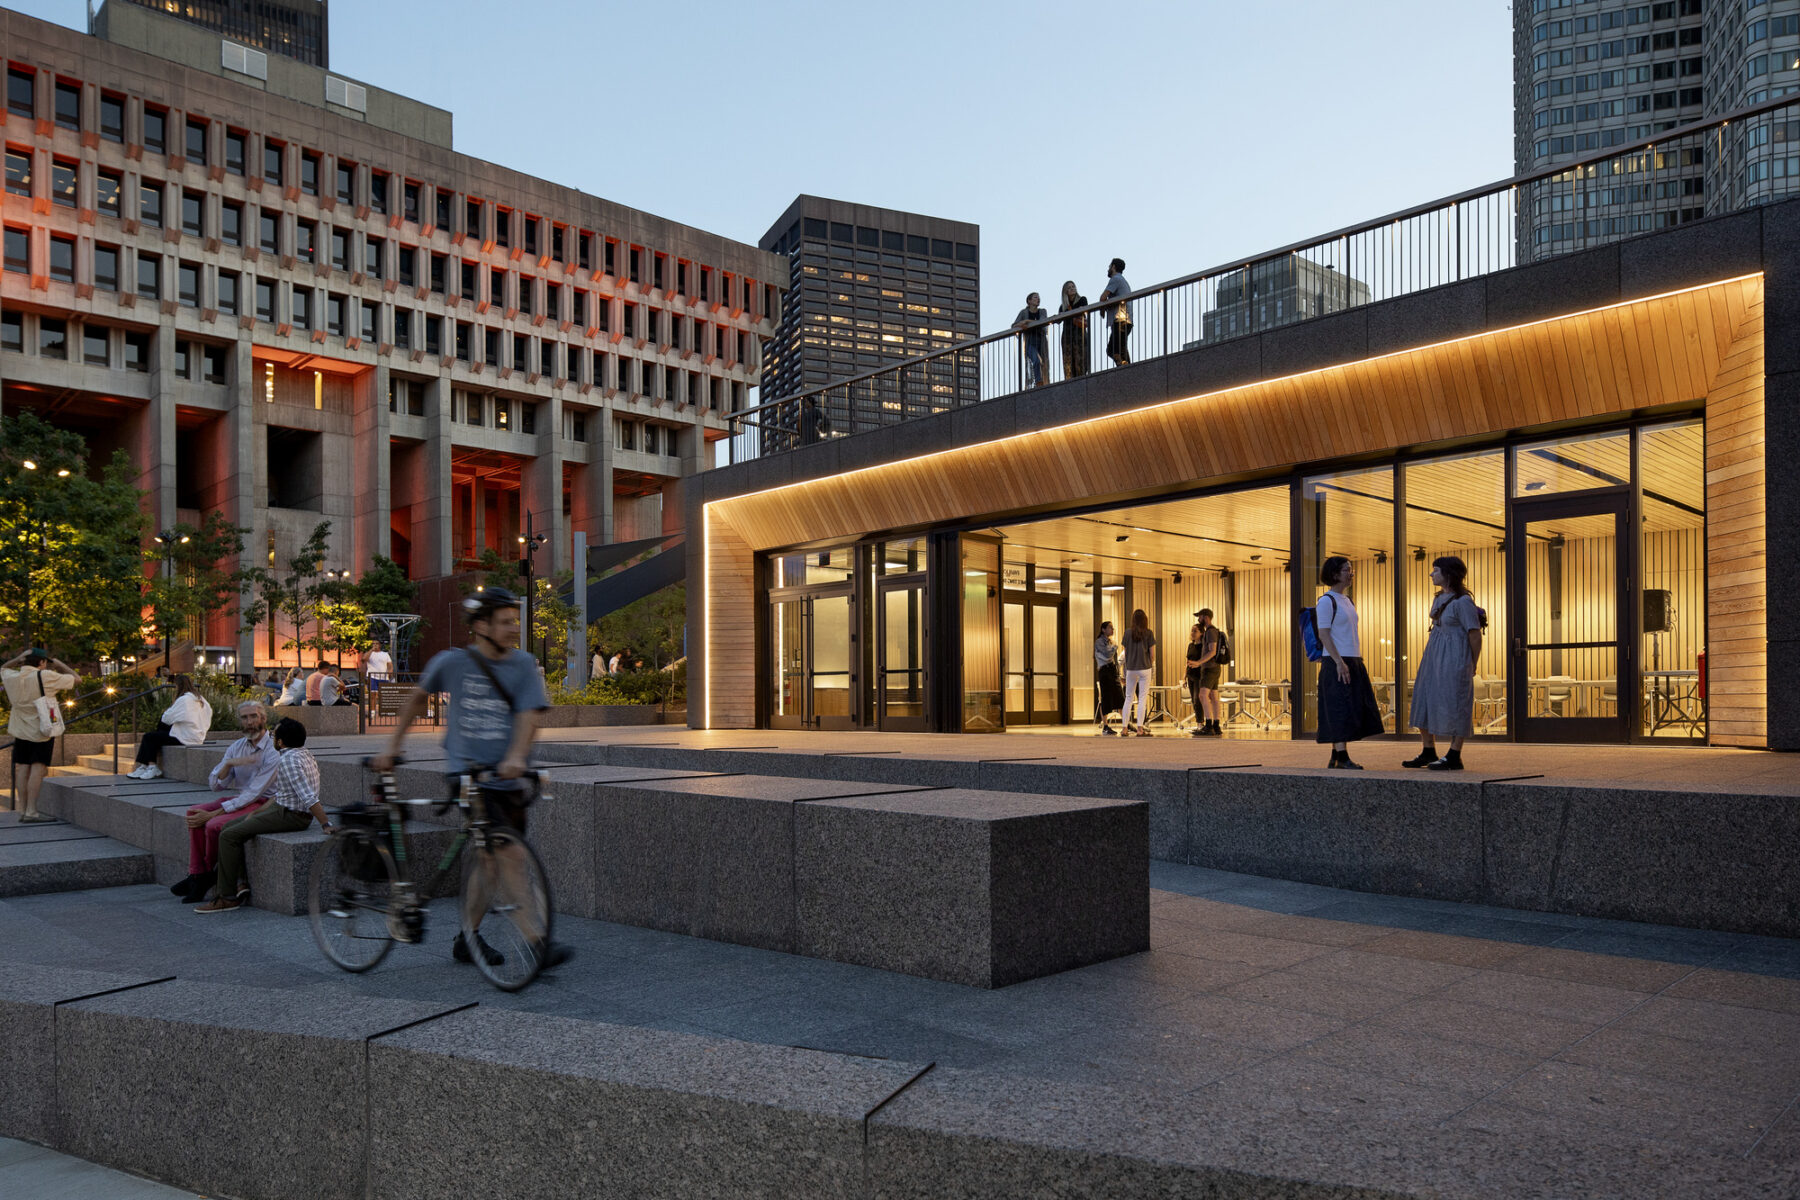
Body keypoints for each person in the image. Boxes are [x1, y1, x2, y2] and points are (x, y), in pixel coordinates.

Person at [373, 587, 570, 969]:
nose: (514, 628)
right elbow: (416, 698)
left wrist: (515, 757)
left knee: (488, 860)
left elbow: (531, 715)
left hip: (509, 777)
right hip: (469, 774)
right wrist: (391, 747)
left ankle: (467, 937)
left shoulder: (524, 665)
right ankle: (536, 941)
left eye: (515, 620)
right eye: (505, 621)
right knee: (507, 853)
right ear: (481, 625)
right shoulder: (453, 663)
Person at [196, 717, 329, 913]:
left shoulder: (288, 761)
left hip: (291, 816)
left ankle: (228, 897)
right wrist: (258, 812)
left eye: (275, 735)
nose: (272, 737)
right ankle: (240, 882)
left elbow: (308, 796)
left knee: (228, 835)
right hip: (281, 808)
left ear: (281, 741)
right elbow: (284, 793)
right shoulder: (303, 754)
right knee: (227, 827)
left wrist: (326, 824)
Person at [171, 700, 280, 902]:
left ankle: (205, 876)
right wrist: (228, 765)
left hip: (264, 802)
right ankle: (198, 874)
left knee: (213, 825)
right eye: (244, 717)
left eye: (253, 716)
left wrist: (214, 813)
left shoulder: (273, 750)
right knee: (194, 813)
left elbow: (255, 793)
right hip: (242, 798)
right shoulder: (236, 747)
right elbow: (215, 784)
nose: (249, 722)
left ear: (263, 718)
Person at [1404, 556, 1485, 772]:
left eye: (1436, 570)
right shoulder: (1439, 598)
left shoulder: (1463, 602)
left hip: (1455, 657)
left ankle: (1454, 754)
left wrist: (1471, 663)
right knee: (1423, 697)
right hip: (1433, 655)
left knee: (1456, 702)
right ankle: (1428, 749)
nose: (1432, 574)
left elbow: (1475, 635)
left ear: (1448, 573)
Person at [1314, 556, 1385, 769]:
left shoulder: (1347, 600)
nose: (1351, 574)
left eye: (1351, 570)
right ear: (1335, 574)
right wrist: (1338, 661)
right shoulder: (1326, 601)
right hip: (1336, 660)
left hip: (1352, 658)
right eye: (1347, 570)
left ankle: (1336, 756)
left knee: (1351, 706)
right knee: (1339, 708)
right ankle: (1342, 756)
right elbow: (1324, 634)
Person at [3, 648, 78, 822]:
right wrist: (60, 664)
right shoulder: (45, 676)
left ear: (24, 661)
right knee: (38, 768)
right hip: (41, 730)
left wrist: (17, 658)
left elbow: (3, 667)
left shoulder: (12, 676)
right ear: (42, 662)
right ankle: (31, 811)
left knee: (22, 768)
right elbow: (77, 679)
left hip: (20, 729)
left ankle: (22, 809)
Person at [127, 674, 212, 780]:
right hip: (197, 736)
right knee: (156, 734)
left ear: (178, 686)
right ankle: (145, 765)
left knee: (149, 737)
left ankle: (152, 766)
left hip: (185, 737)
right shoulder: (202, 700)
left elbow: (166, 718)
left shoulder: (184, 700)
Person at [1186, 613, 1223, 737]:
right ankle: (1216, 725)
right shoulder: (1212, 631)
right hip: (1212, 668)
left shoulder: (1210, 632)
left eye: (1200, 617)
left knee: (1202, 696)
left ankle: (1208, 725)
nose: (1198, 619)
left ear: (1206, 617)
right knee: (1213, 696)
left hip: (1209, 669)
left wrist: (1198, 662)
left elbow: (1212, 651)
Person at [1122, 608, 1156, 736]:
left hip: (1130, 668)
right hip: (1145, 668)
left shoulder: (1127, 633)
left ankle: (1125, 728)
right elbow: (1152, 655)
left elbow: (1125, 653)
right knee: (1142, 698)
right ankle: (1140, 729)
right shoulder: (1148, 633)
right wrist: (1148, 663)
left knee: (1128, 697)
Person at [1012, 292, 1051, 388]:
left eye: (1038, 297)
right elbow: (1013, 326)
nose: (1038, 299)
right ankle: (1038, 382)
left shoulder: (1042, 311)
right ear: (1029, 301)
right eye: (1035, 297)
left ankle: (1045, 382)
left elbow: (1042, 322)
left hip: (1041, 340)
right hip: (1030, 340)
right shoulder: (1024, 312)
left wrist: (1027, 321)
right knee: (1036, 361)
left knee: (1044, 363)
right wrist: (1021, 324)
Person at [1099, 258, 1133, 368]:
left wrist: (1102, 309)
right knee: (1119, 348)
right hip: (1125, 319)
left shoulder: (1116, 279)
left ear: (1113, 267)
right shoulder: (1123, 281)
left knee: (1113, 349)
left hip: (1120, 320)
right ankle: (1125, 366)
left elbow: (1103, 297)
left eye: (1109, 266)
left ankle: (1125, 367)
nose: (1108, 269)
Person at [1093, 621, 1124, 735]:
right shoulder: (1099, 642)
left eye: (1112, 628)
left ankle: (1126, 723)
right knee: (1105, 698)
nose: (1112, 630)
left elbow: (1112, 659)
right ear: (1103, 629)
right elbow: (1107, 655)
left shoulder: (1111, 642)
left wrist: (1119, 675)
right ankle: (1105, 726)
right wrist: (1114, 647)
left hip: (1112, 670)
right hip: (1104, 671)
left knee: (1120, 697)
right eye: (1110, 628)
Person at [1057, 281, 1090, 380]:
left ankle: (1081, 378)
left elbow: (1083, 309)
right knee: (1068, 360)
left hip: (1079, 332)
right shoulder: (1063, 306)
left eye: (1073, 286)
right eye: (1069, 287)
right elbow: (1059, 319)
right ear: (1065, 291)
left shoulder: (1082, 299)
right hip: (1067, 335)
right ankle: (1070, 380)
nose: (1072, 288)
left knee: (1081, 357)